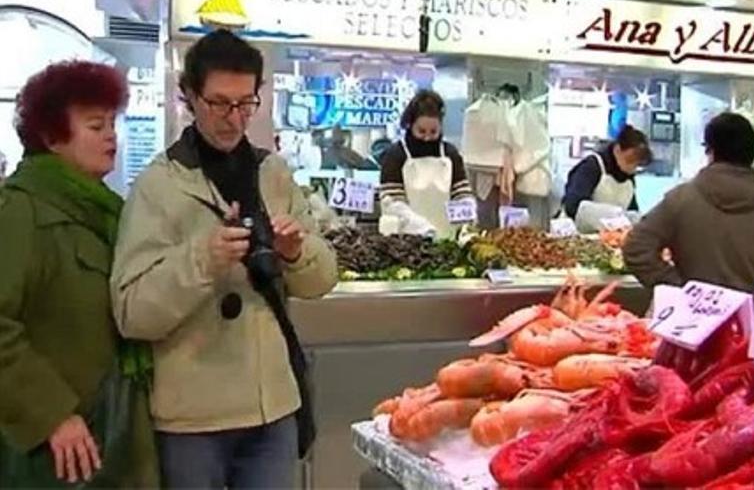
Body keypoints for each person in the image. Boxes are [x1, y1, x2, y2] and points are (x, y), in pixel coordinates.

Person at [110, 30, 338, 488]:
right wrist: (203, 260)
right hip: (194, 419)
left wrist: (296, 252)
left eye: (245, 103)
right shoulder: (159, 185)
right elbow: (131, 312)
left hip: (272, 405)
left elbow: (323, 277)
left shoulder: (273, 172)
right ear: (190, 98)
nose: (234, 119)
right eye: (218, 103)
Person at [0, 62, 157, 487]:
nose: (111, 136)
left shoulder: (107, 211)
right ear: (52, 137)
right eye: (94, 125)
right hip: (57, 446)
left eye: (111, 123)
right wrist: (50, 412)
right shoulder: (21, 210)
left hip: (118, 426)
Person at [623, 112, 754, 294]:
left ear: (711, 151)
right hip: (749, 319)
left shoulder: (680, 201)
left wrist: (681, 289)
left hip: (692, 319)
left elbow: (636, 249)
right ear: (752, 154)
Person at [379, 90, 474, 237]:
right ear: (410, 125)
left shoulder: (450, 153)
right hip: (407, 238)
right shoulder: (395, 154)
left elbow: (461, 192)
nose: (427, 138)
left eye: (433, 131)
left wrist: (468, 212)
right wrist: (420, 226)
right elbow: (392, 201)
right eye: (421, 131)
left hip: (447, 236)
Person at [562, 125, 652, 232]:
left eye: (637, 164)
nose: (632, 168)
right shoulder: (592, 166)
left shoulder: (628, 178)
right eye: (630, 160)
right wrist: (610, 215)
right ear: (618, 150)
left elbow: (631, 211)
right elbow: (572, 206)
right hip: (578, 236)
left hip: (610, 239)